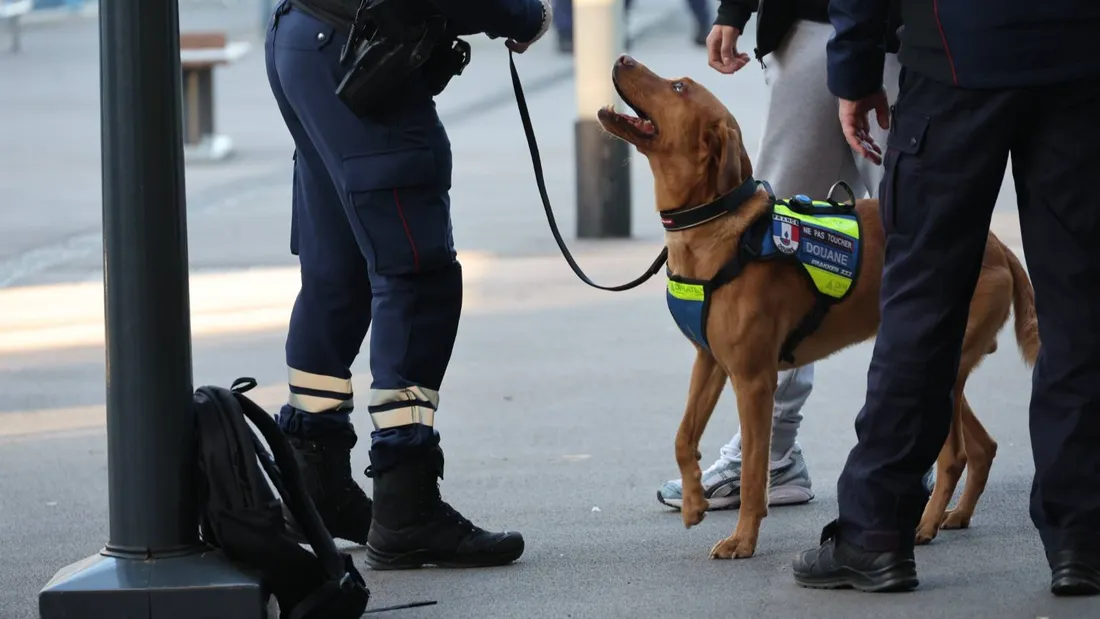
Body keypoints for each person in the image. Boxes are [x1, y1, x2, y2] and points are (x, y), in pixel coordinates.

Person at [793, 0, 1100, 595]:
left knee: (923, 304)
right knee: (1082, 301)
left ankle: (875, 534)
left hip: (956, 57)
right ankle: (1082, 539)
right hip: (1080, 59)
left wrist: (854, 70)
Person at [263, 0, 552, 570]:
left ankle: (314, 487)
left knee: (338, 273)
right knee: (416, 278)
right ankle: (407, 510)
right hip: (358, 49)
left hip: (307, 39)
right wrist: (521, 15)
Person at [656, 0, 908, 514]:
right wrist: (735, 8)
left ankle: (912, 441)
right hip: (809, 25)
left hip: (897, 35)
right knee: (766, 252)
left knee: (909, 231)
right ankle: (776, 452)